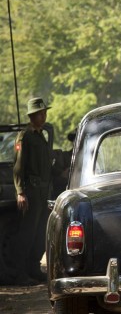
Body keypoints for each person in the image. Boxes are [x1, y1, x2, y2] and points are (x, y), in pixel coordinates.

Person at [12, 97, 54, 285]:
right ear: (32, 116)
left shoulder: (41, 135)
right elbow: (18, 166)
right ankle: (19, 273)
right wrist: (20, 191)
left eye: (44, 113)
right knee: (27, 234)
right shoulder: (25, 136)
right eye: (40, 113)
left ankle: (33, 268)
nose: (43, 116)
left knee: (39, 234)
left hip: (43, 191)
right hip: (31, 190)